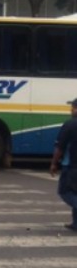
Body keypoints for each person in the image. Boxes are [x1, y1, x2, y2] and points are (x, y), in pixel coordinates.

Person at [50, 98, 77, 231]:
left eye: (72, 107)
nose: (71, 110)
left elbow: (60, 148)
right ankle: (76, 224)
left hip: (72, 166)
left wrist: (54, 164)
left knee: (65, 192)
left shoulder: (70, 125)